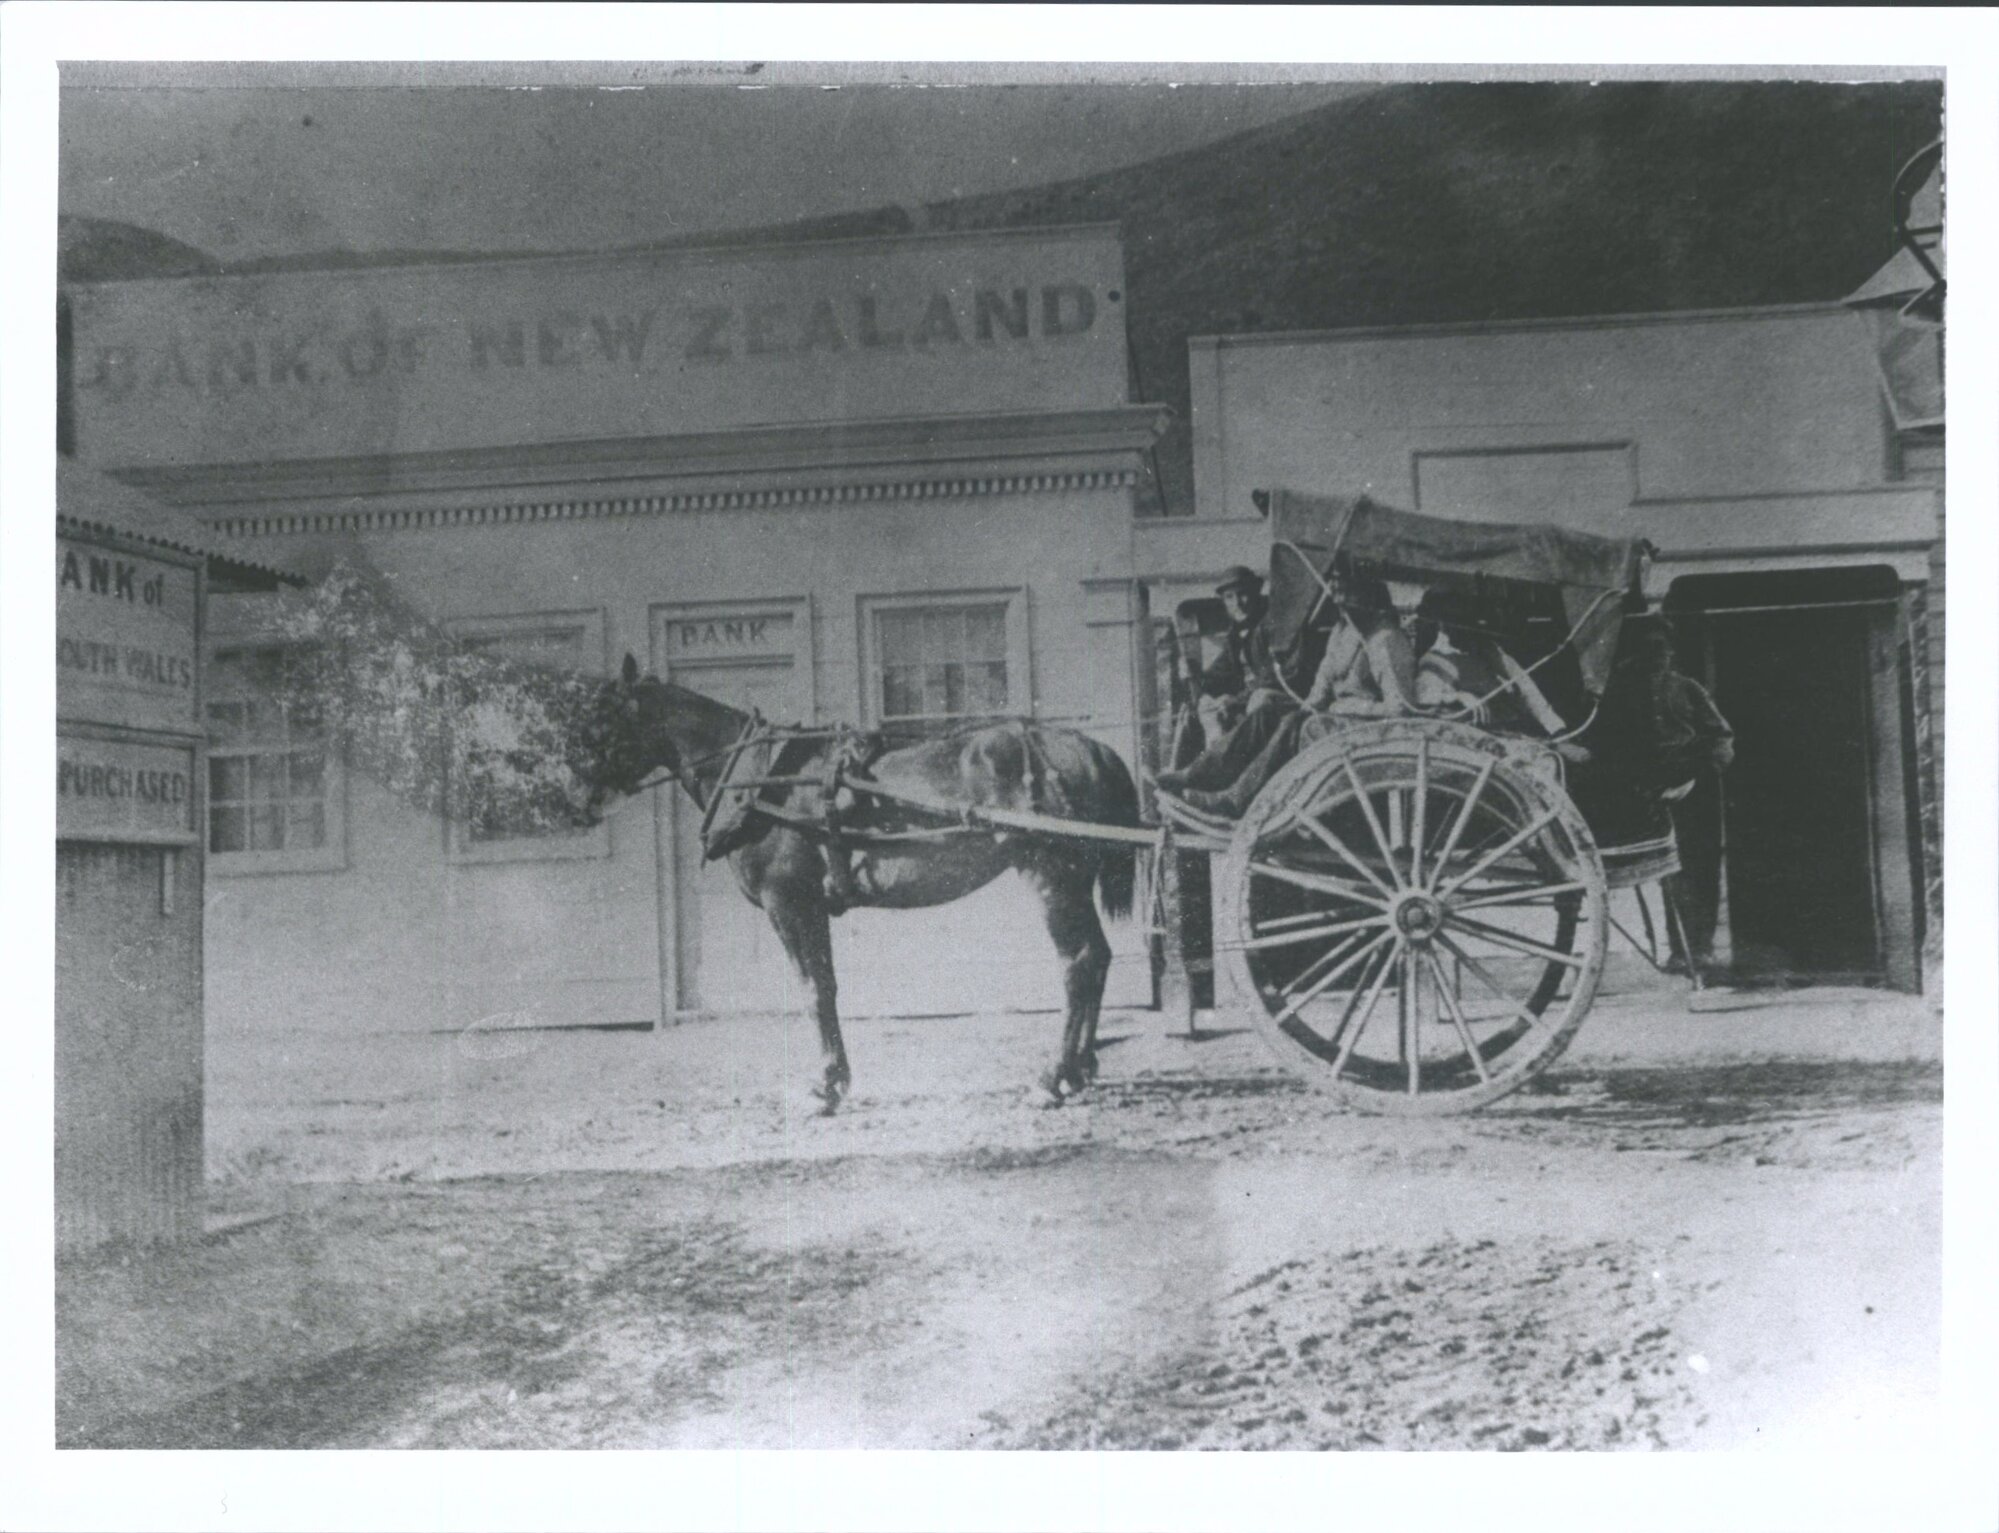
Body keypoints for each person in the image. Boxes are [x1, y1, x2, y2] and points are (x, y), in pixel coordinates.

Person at [1164, 570, 1419, 819]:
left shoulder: (1385, 640)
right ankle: (1198, 775)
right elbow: (1323, 682)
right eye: (1337, 593)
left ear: (1368, 596)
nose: (1338, 601)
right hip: (1340, 720)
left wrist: (1348, 707)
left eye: (1346, 594)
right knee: (1269, 713)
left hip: (1368, 730)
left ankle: (1238, 798)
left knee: (1292, 723)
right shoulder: (1344, 631)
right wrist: (1310, 706)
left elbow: (1400, 709)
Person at [1584, 620, 1734, 973]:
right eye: (1649, 651)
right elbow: (1611, 747)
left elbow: (1721, 738)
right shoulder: (1623, 694)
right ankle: (1680, 951)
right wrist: (1638, 786)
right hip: (1649, 793)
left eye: (1662, 650)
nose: (1657, 658)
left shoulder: (1688, 689)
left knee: (1701, 868)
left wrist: (1702, 777)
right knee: (1668, 871)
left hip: (1694, 790)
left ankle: (1702, 949)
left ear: (1671, 652)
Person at [1156, 566, 1295, 796]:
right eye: (1230, 597)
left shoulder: (1273, 624)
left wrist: (1236, 700)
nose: (1238, 603)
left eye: (1243, 594)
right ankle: (1209, 779)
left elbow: (1275, 676)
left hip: (1281, 699)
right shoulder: (1237, 633)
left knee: (1259, 700)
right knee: (1208, 706)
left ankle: (1212, 778)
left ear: (1256, 591)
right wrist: (1198, 683)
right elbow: (1220, 672)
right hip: (1253, 701)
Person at [1412, 593, 1569, 736]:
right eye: (1459, 625)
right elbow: (1425, 701)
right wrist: (1455, 696)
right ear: (1443, 625)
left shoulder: (1489, 649)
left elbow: (1526, 688)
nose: (1471, 635)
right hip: (1489, 737)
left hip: (1522, 728)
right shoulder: (1435, 660)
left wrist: (1557, 731)